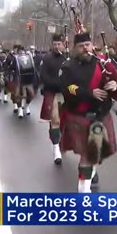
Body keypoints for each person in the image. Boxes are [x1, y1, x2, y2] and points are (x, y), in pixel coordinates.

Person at [59, 31, 117, 193]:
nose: (85, 49)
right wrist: (89, 92)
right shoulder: (68, 66)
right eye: (81, 46)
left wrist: (115, 85)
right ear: (75, 48)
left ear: (92, 45)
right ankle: (83, 190)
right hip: (79, 116)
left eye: (87, 45)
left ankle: (90, 175)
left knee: (95, 152)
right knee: (87, 156)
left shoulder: (102, 63)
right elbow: (67, 88)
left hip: (101, 115)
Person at [40, 33, 68, 164]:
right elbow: (43, 76)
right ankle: (56, 149)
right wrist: (57, 84)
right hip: (52, 92)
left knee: (65, 121)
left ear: (63, 45)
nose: (57, 46)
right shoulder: (47, 58)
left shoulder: (68, 58)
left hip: (67, 94)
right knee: (55, 120)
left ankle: (60, 141)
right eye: (55, 44)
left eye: (59, 44)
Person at [14, 46, 39, 119]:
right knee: (18, 95)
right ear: (18, 52)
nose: (21, 52)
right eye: (20, 51)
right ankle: (20, 110)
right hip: (19, 79)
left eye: (22, 51)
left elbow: (33, 67)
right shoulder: (15, 59)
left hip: (28, 79)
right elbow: (11, 67)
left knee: (31, 95)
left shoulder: (29, 58)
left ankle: (26, 106)